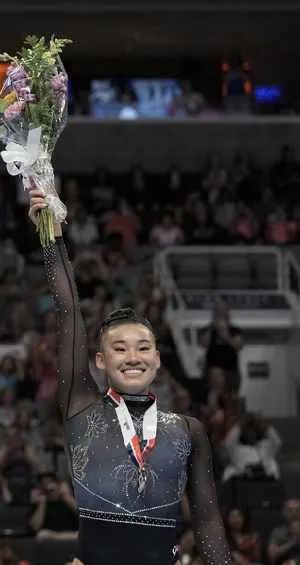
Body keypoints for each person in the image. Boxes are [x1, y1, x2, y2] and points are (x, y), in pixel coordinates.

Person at [29, 187, 231, 565]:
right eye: (119, 349)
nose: (133, 357)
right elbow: (69, 312)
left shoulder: (187, 431)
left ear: (157, 359)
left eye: (142, 348)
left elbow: (207, 522)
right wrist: (51, 237)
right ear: (100, 361)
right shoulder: (82, 409)